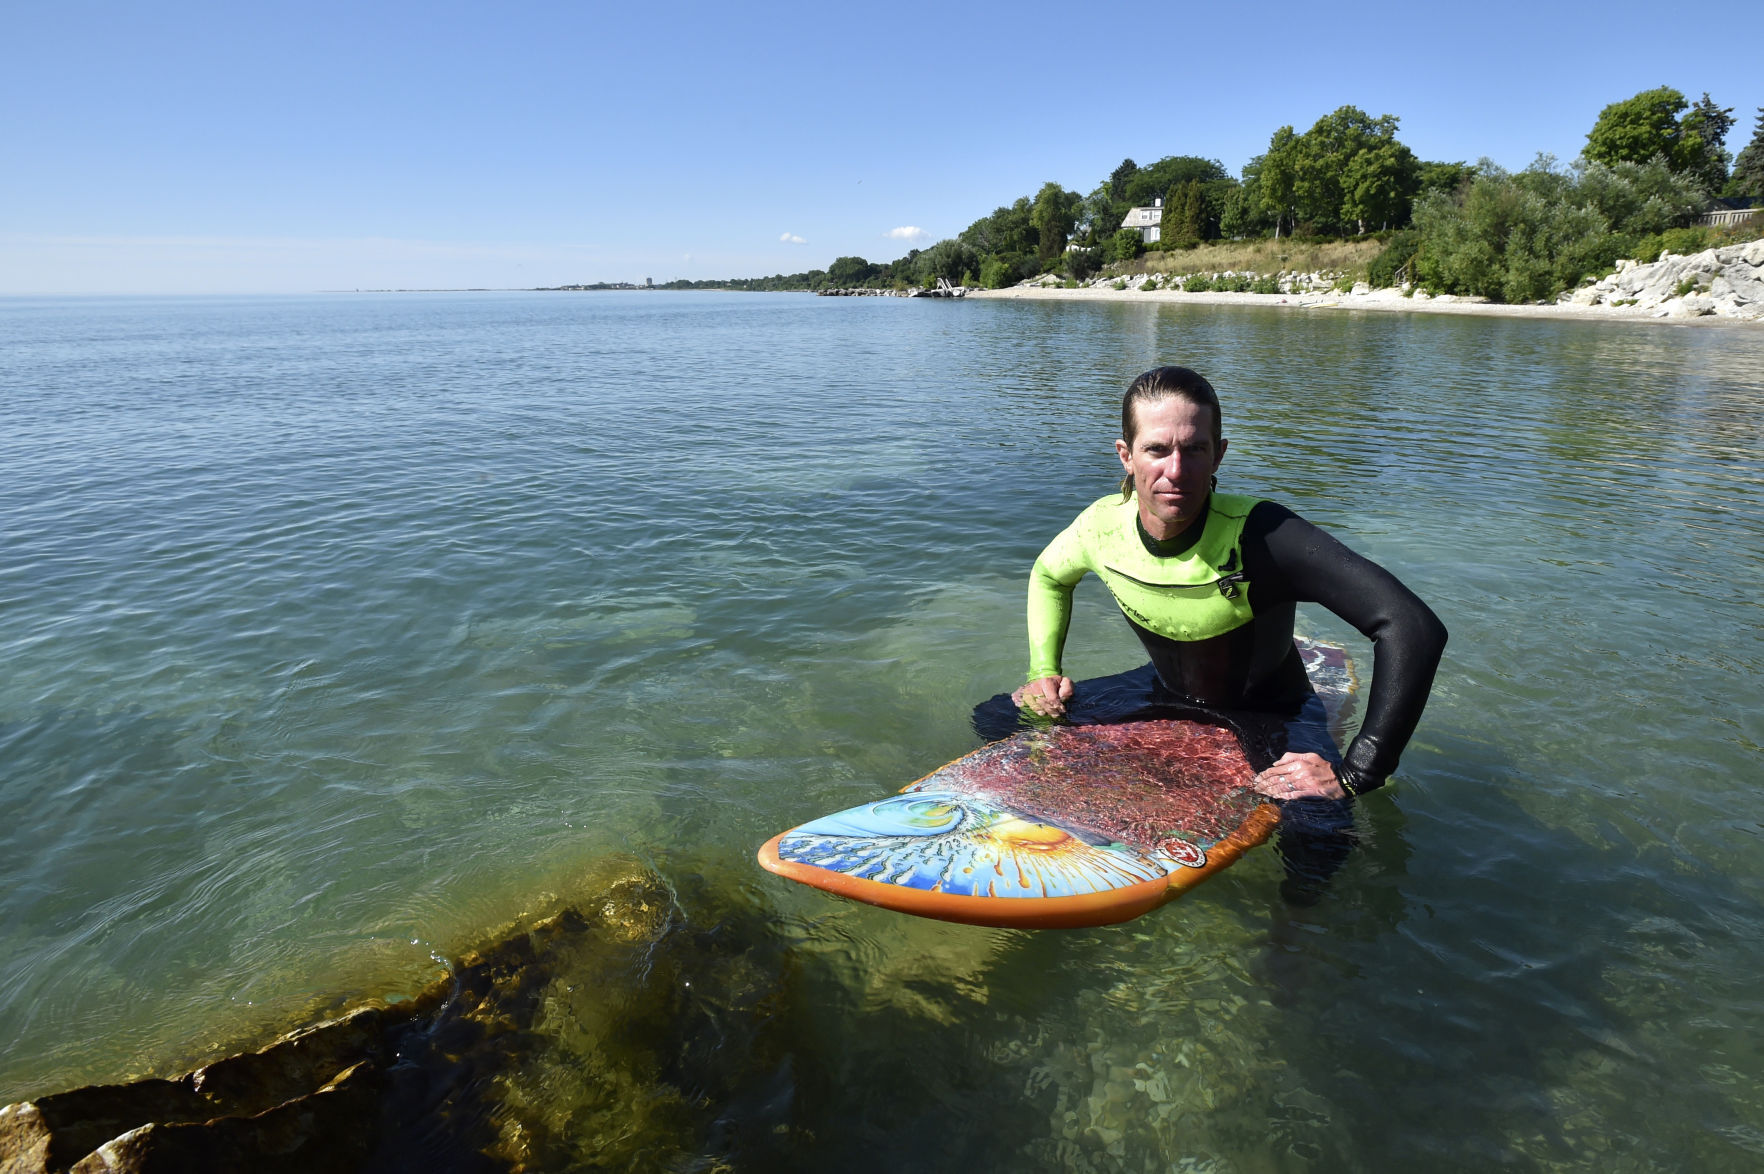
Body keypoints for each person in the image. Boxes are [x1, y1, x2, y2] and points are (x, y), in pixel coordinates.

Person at [1008, 365, 1447, 811]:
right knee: (1003, 718)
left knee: (1318, 827)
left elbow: (1412, 626)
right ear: (1126, 454)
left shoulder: (1264, 535)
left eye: (1194, 449)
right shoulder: (1099, 526)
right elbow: (1048, 576)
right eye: (1156, 449)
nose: (1175, 471)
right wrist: (1042, 670)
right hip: (1164, 691)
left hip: (1273, 711)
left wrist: (1359, 773)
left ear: (1218, 454)